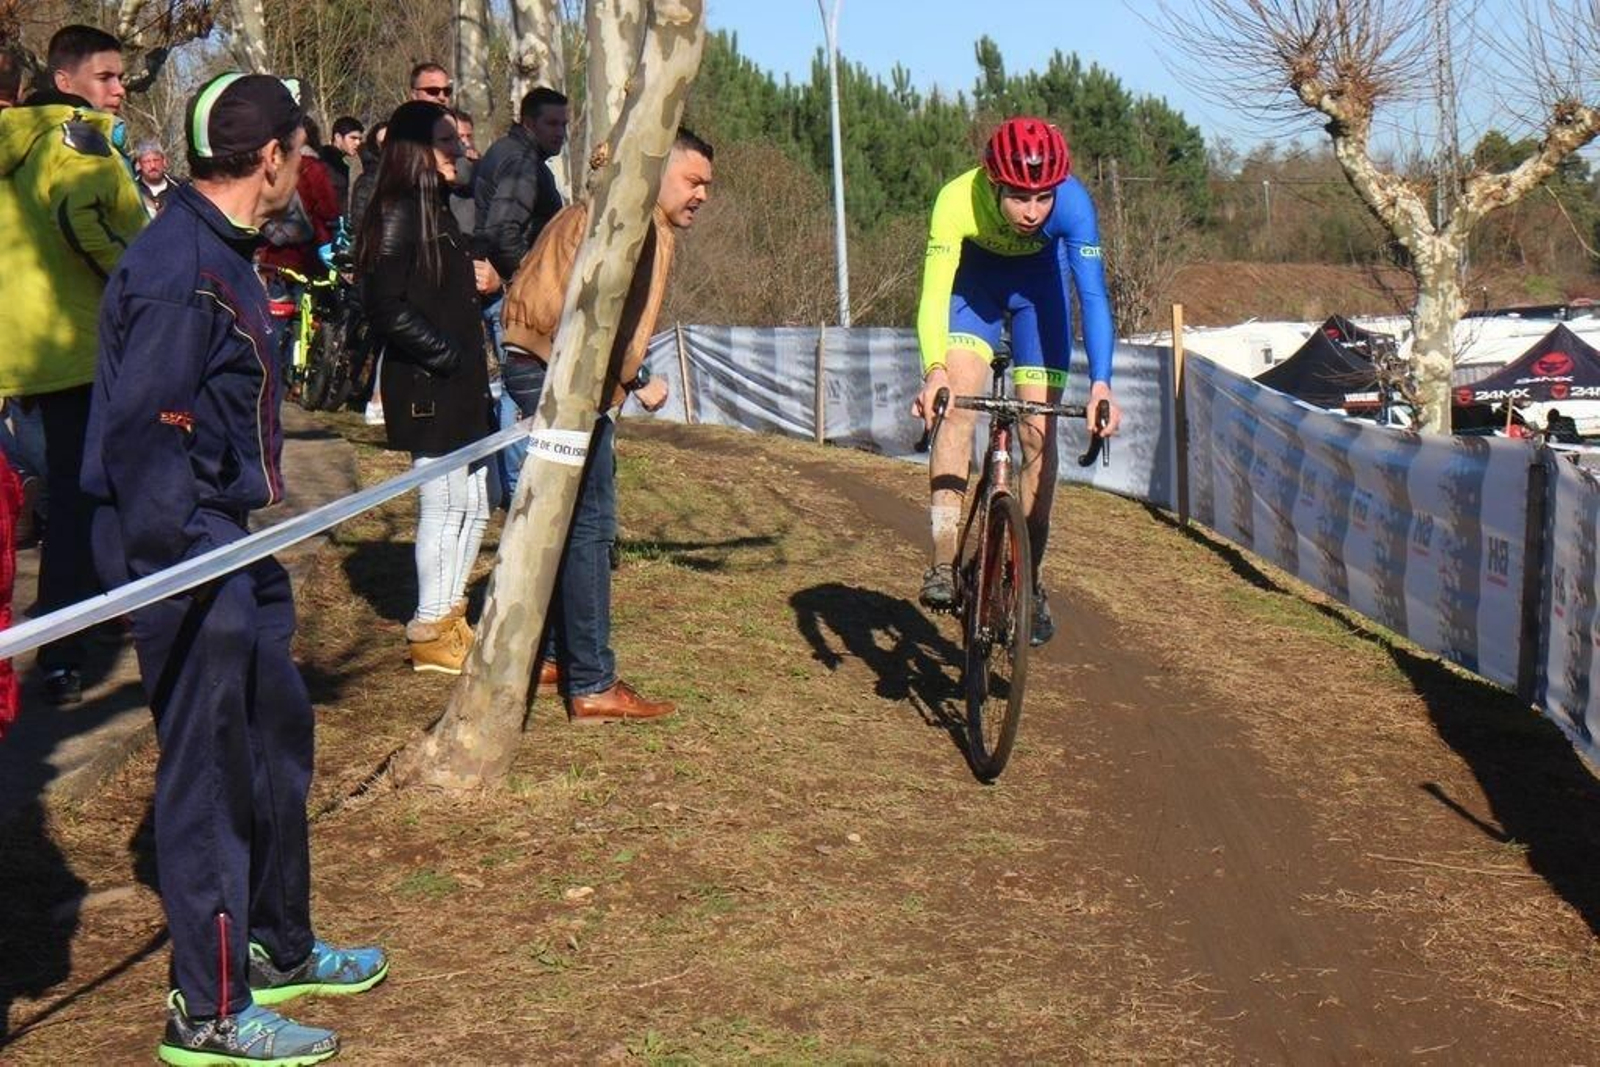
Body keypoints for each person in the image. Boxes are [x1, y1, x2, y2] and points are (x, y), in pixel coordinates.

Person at [83, 70, 387, 1066]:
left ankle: (278, 937)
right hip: (187, 547)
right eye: (300, 151)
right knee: (209, 770)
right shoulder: (180, 267)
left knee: (274, 736)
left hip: (236, 540)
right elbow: (145, 443)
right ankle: (207, 1008)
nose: (306, 167)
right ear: (273, 158)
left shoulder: (228, 251)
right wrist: (190, 566)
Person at [499, 127, 713, 723]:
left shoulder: (615, 212)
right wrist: (636, 379)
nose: (701, 196)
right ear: (658, 171)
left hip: (544, 365)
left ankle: (548, 657)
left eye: (707, 186)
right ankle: (590, 681)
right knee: (589, 525)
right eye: (693, 181)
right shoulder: (633, 222)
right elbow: (597, 313)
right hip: (557, 374)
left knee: (563, 521)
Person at [910, 117, 1121, 647]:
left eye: (1042, 198)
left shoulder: (1073, 204)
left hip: (1038, 297)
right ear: (993, 182)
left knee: (1036, 434)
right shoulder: (957, 199)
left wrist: (1101, 382)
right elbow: (935, 294)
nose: (1032, 212)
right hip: (972, 294)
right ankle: (942, 559)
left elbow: (1092, 297)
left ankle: (1027, 578)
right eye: (1020, 198)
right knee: (957, 408)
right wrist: (933, 368)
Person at [0, 24, 146, 705]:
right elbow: (84, 220)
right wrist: (142, 283)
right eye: (106, 76)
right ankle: (61, 654)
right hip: (74, 354)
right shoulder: (79, 139)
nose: (118, 90)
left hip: (14, 360)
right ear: (66, 81)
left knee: (41, 507)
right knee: (80, 508)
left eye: (121, 77)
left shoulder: (12, 150)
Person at [356, 100, 500, 673]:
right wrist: (444, 355)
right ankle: (429, 627)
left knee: (477, 502)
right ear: (416, 149)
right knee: (441, 504)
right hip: (427, 383)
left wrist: (485, 279)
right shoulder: (394, 210)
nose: (461, 151)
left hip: (461, 382)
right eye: (447, 141)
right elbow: (385, 306)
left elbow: (439, 284)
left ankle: (452, 616)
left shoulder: (439, 208)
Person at [476, 87, 569, 506]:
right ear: (528, 122)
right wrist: (529, 278)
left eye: (565, 125)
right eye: (552, 124)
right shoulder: (521, 161)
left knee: (517, 394)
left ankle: (515, 489)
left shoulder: (509, 153)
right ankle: (519, 495)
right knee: (521, 396)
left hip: (509, 292)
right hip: (517, 299)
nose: (560, 133)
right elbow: (501, 230)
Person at [318, 114, 363, 215]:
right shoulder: (323, 161)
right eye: (353, 138)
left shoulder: (341, 165)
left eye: (360, 139)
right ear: (338, 137)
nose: (357, 143)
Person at [133, 139, 180, 216]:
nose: (153, 166)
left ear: (164, 161)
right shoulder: (133, 189)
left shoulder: (179, 188)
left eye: (156, 160)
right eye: (147, 162)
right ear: (139, 164)